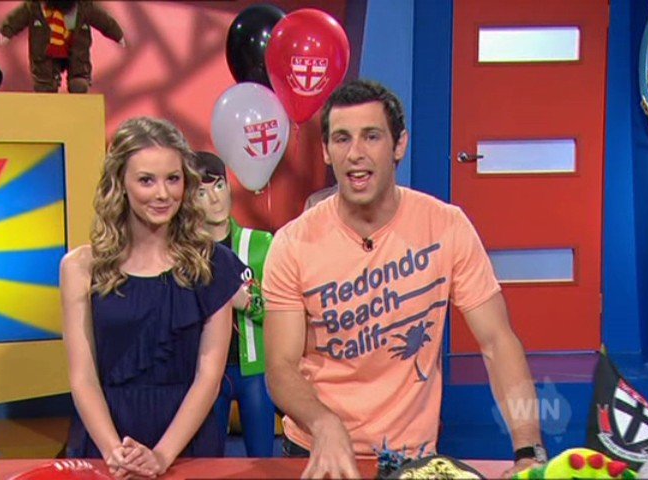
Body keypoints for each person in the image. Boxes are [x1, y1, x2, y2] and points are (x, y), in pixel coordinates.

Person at [262, 79, 545, 478]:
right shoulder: (292, 244)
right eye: (342, 139)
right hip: (317, 450)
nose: (355, 154)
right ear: (326, 150)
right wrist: (324, 424)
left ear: (399, 145)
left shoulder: (446, 226)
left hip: (413, 457)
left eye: (371, 136)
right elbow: (281, 367)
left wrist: (529, 449)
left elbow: (497, 342)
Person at [61, 117, 245, 478]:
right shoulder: (81, 267)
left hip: (186, 443)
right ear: (120, 184)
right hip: (106, 441)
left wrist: (160, 456)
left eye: (172, 179)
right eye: (147, 180)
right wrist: (116, 454)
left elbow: (209, 377)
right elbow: (83, 377)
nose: (163, 194)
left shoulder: (214, 265)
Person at [192, 151, 277, 458]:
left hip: (255, 370)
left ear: (229, 187)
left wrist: (247, 303)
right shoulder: (186, 253)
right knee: (207, 461)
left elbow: (282, 311)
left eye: (219, 186)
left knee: (262, 461)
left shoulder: (261, 243)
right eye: (202, 192)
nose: (214, 199)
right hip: (206, 371)